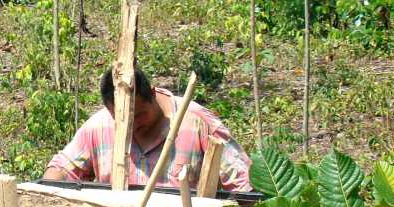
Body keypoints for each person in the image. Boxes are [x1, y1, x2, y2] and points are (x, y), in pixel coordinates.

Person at [43, 67, 253, 192]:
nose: (132, 126)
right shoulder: (98, 126)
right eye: (123, 120)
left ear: (153, 94)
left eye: (140, 115)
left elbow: (243, 184)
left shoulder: (196, 122)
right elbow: (61, 170)